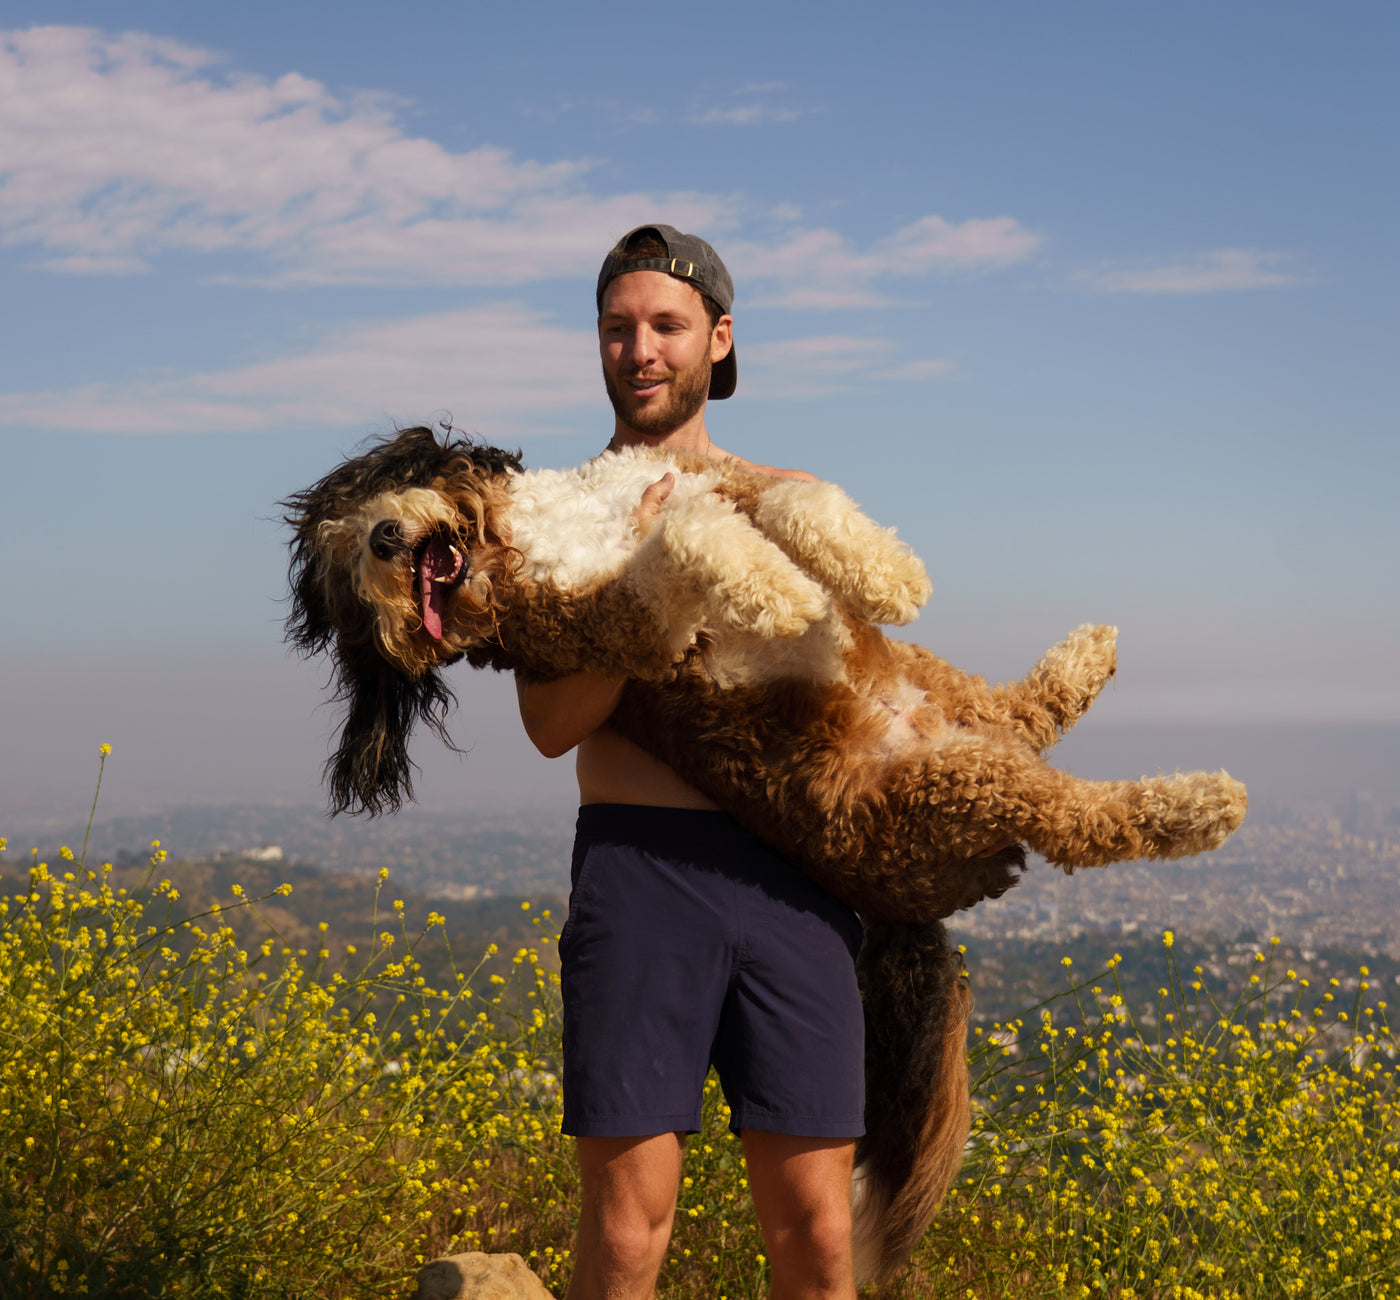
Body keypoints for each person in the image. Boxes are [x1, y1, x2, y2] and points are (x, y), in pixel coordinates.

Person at [516, 225, 865, 1300]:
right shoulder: (555, 512)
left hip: (789, 878)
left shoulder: (793, 499)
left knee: (812, 1230)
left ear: (716, 341)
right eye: (616, 328)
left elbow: (851, 703)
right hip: (637, 872)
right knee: (625, 1236)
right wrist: (645, 584)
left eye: (665, 325)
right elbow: (549, 722)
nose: (640, 349)